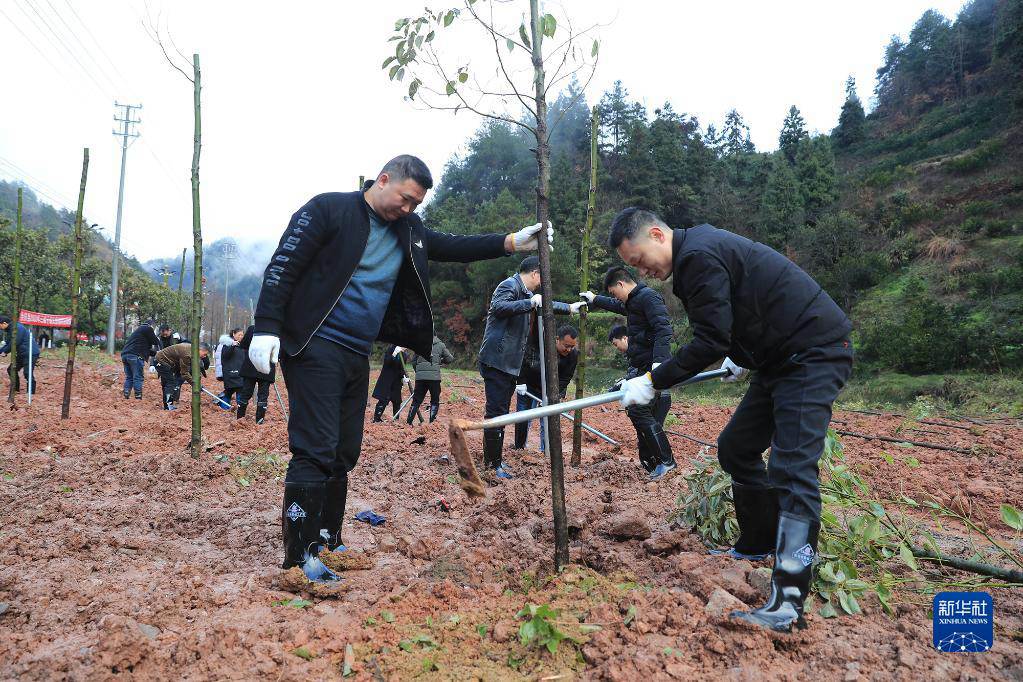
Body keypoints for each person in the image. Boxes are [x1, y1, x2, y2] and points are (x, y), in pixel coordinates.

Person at [248, 154, 554, 583]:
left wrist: (509, 242)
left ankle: (328, 540)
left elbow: (452, 246)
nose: (408, 209)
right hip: (315, 342)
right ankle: (298, 559)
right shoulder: (330, 210)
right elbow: (284, 264)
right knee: (315, 449)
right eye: (405, 199)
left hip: (357, 351)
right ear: (384, 179)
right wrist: (266, 327)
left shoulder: (408, 230)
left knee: (344, 451)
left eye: (416, 205)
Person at [610, 208, 853, 633]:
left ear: (656, 234)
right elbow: (740, 311)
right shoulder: (697, 255)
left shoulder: (698, 256)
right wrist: (741, 355)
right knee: (737, 447)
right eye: (632, 267)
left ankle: (789, 602)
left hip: (812, 351)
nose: (641, 270)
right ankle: (757, 543)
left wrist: (653, 379)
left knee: (791, 468)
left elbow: (709, 338)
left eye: (638, 259)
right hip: (779, 358)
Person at [477, 256, 583, 479]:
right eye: (542, 277)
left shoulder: (526, 294)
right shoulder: (510, 285)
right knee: (496, 413)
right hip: (497, 361)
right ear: (535, 273)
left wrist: (570, 308)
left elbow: (544, 303)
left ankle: (494, 462)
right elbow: (499, 307)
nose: (542, 282)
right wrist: (530, 303)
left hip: (508, 364)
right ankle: (491, 466)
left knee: (502, 413)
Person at [581, 266, 675, 479]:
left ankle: (666, 461)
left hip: (651, 368)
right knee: (637, 411)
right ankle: (654, 463)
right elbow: (616, 305)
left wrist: (659, 364)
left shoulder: (648, 297)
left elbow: (664, 329)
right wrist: (595, 299)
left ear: (621, 284)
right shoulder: (634, 302)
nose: (615, 298)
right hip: (641, 367)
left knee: (639, 410)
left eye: (614, 292)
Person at [513, 324, 579, 452]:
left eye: (572, 346)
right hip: (529, 385)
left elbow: (566, 377)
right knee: (523, 417)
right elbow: (524, 360)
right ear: (557, 339)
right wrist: (520, 381)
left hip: (551, 389)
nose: (569, 350)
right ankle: (519, 449)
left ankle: (546, 450)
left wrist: (554, 395)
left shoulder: (573, 355)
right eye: (566, 346)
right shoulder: (540, 346)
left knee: (548, 421)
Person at [406, 335, 454, 424]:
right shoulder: (440, 345)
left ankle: (409, 422)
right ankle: (432, 423)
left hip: (420, 378)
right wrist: (439, 361)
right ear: (435, 335)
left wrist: (419, 371)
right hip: (434, 378)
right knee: (434, 400)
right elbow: (450, 359)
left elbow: (413, 361)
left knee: (416, 400)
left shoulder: (419, 344)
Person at [154, 342, 210, 410]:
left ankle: (167, 405)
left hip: (167, 362)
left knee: (168, 383)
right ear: (199, 349)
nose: (205, 356)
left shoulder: (192, 350)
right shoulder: (187, 354)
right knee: (171, 382)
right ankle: (168, 406)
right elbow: (184, 373)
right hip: (161, 361)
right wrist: (196, 384)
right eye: (205, 354)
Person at [236, 325, 275, 423]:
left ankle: (240, 419)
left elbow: (243, 345)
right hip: (266, 366)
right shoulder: (275, 330)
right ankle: (259, 422)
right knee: (263, 395)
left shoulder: (252, 329)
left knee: (245, 393)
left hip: (251, 365)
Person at [119, 319, 161, 400]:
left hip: (125, 355)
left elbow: (146, 350)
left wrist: (156, 353)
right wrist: (160, 344)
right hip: (135, 356)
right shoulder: (147, 328)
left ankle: (126, 393)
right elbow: (155, 341)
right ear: (152, 325)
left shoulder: (139, 333)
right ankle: (138, 396)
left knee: (129, 377)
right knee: (138, 377)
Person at [0, 315, 40, 395]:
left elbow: (15, 342)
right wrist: (1, 351)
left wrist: (5, 352)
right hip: (22, 353)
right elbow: (8, 343)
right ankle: (16, 389)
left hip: (30, 353)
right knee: (11, 369)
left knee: (27, 372)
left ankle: (31, 393)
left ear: (4, 323)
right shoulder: (10, 329)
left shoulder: (17, 328)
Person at [215, 328, 246, 409]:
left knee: (231, 391)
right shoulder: (227, 345)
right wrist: (232, 345)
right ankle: (236, 409)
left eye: (242, 335)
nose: (241, 336)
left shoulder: (242, 346)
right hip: (231, 373)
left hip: (240, 373)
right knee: (235, 390)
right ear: (233, 334)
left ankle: (224, 406)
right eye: (239, 334)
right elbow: (225, 356)